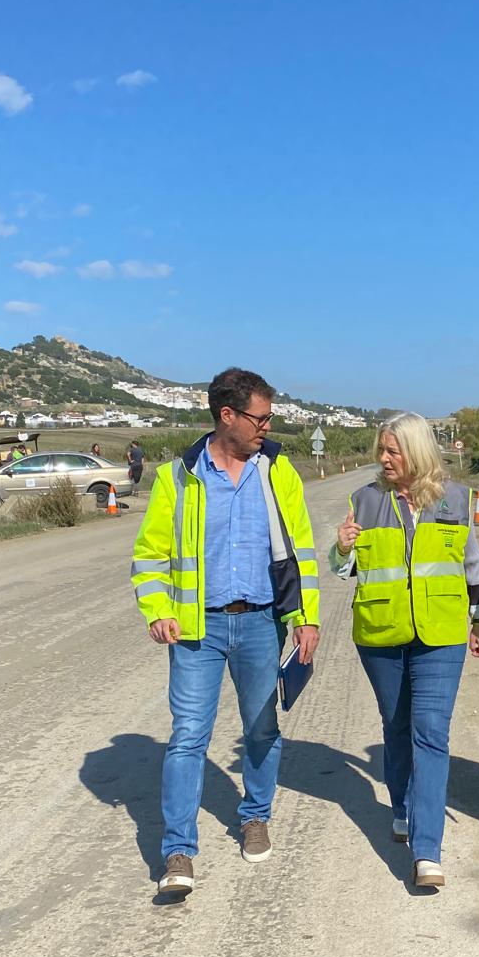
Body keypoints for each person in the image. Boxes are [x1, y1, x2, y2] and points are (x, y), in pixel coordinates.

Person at [131, 367, 321, 898]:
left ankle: (255, 815)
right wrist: (156, 609)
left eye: (269, 417)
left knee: (261, 730)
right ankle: (178, 849)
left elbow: (301, 552)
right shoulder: (178, 478)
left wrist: (305, 617)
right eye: (258, 418)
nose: (266, 427)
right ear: (226, 415)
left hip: (262, 622)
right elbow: (149, 556)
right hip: (198, 629)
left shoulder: (278, 471)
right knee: (188, 736)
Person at [330, 412, 479, 889]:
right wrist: (341, 550)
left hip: (440, 636)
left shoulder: (458, 500)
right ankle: (399, 804)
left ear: (417, 452)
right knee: (396, 725)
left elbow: (472, 564)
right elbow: (345, 573)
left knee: (430, 733)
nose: (383, 459)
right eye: (381, 450)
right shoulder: (364, 500)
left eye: (392, 451)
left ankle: (428, 851)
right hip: (381, 634)